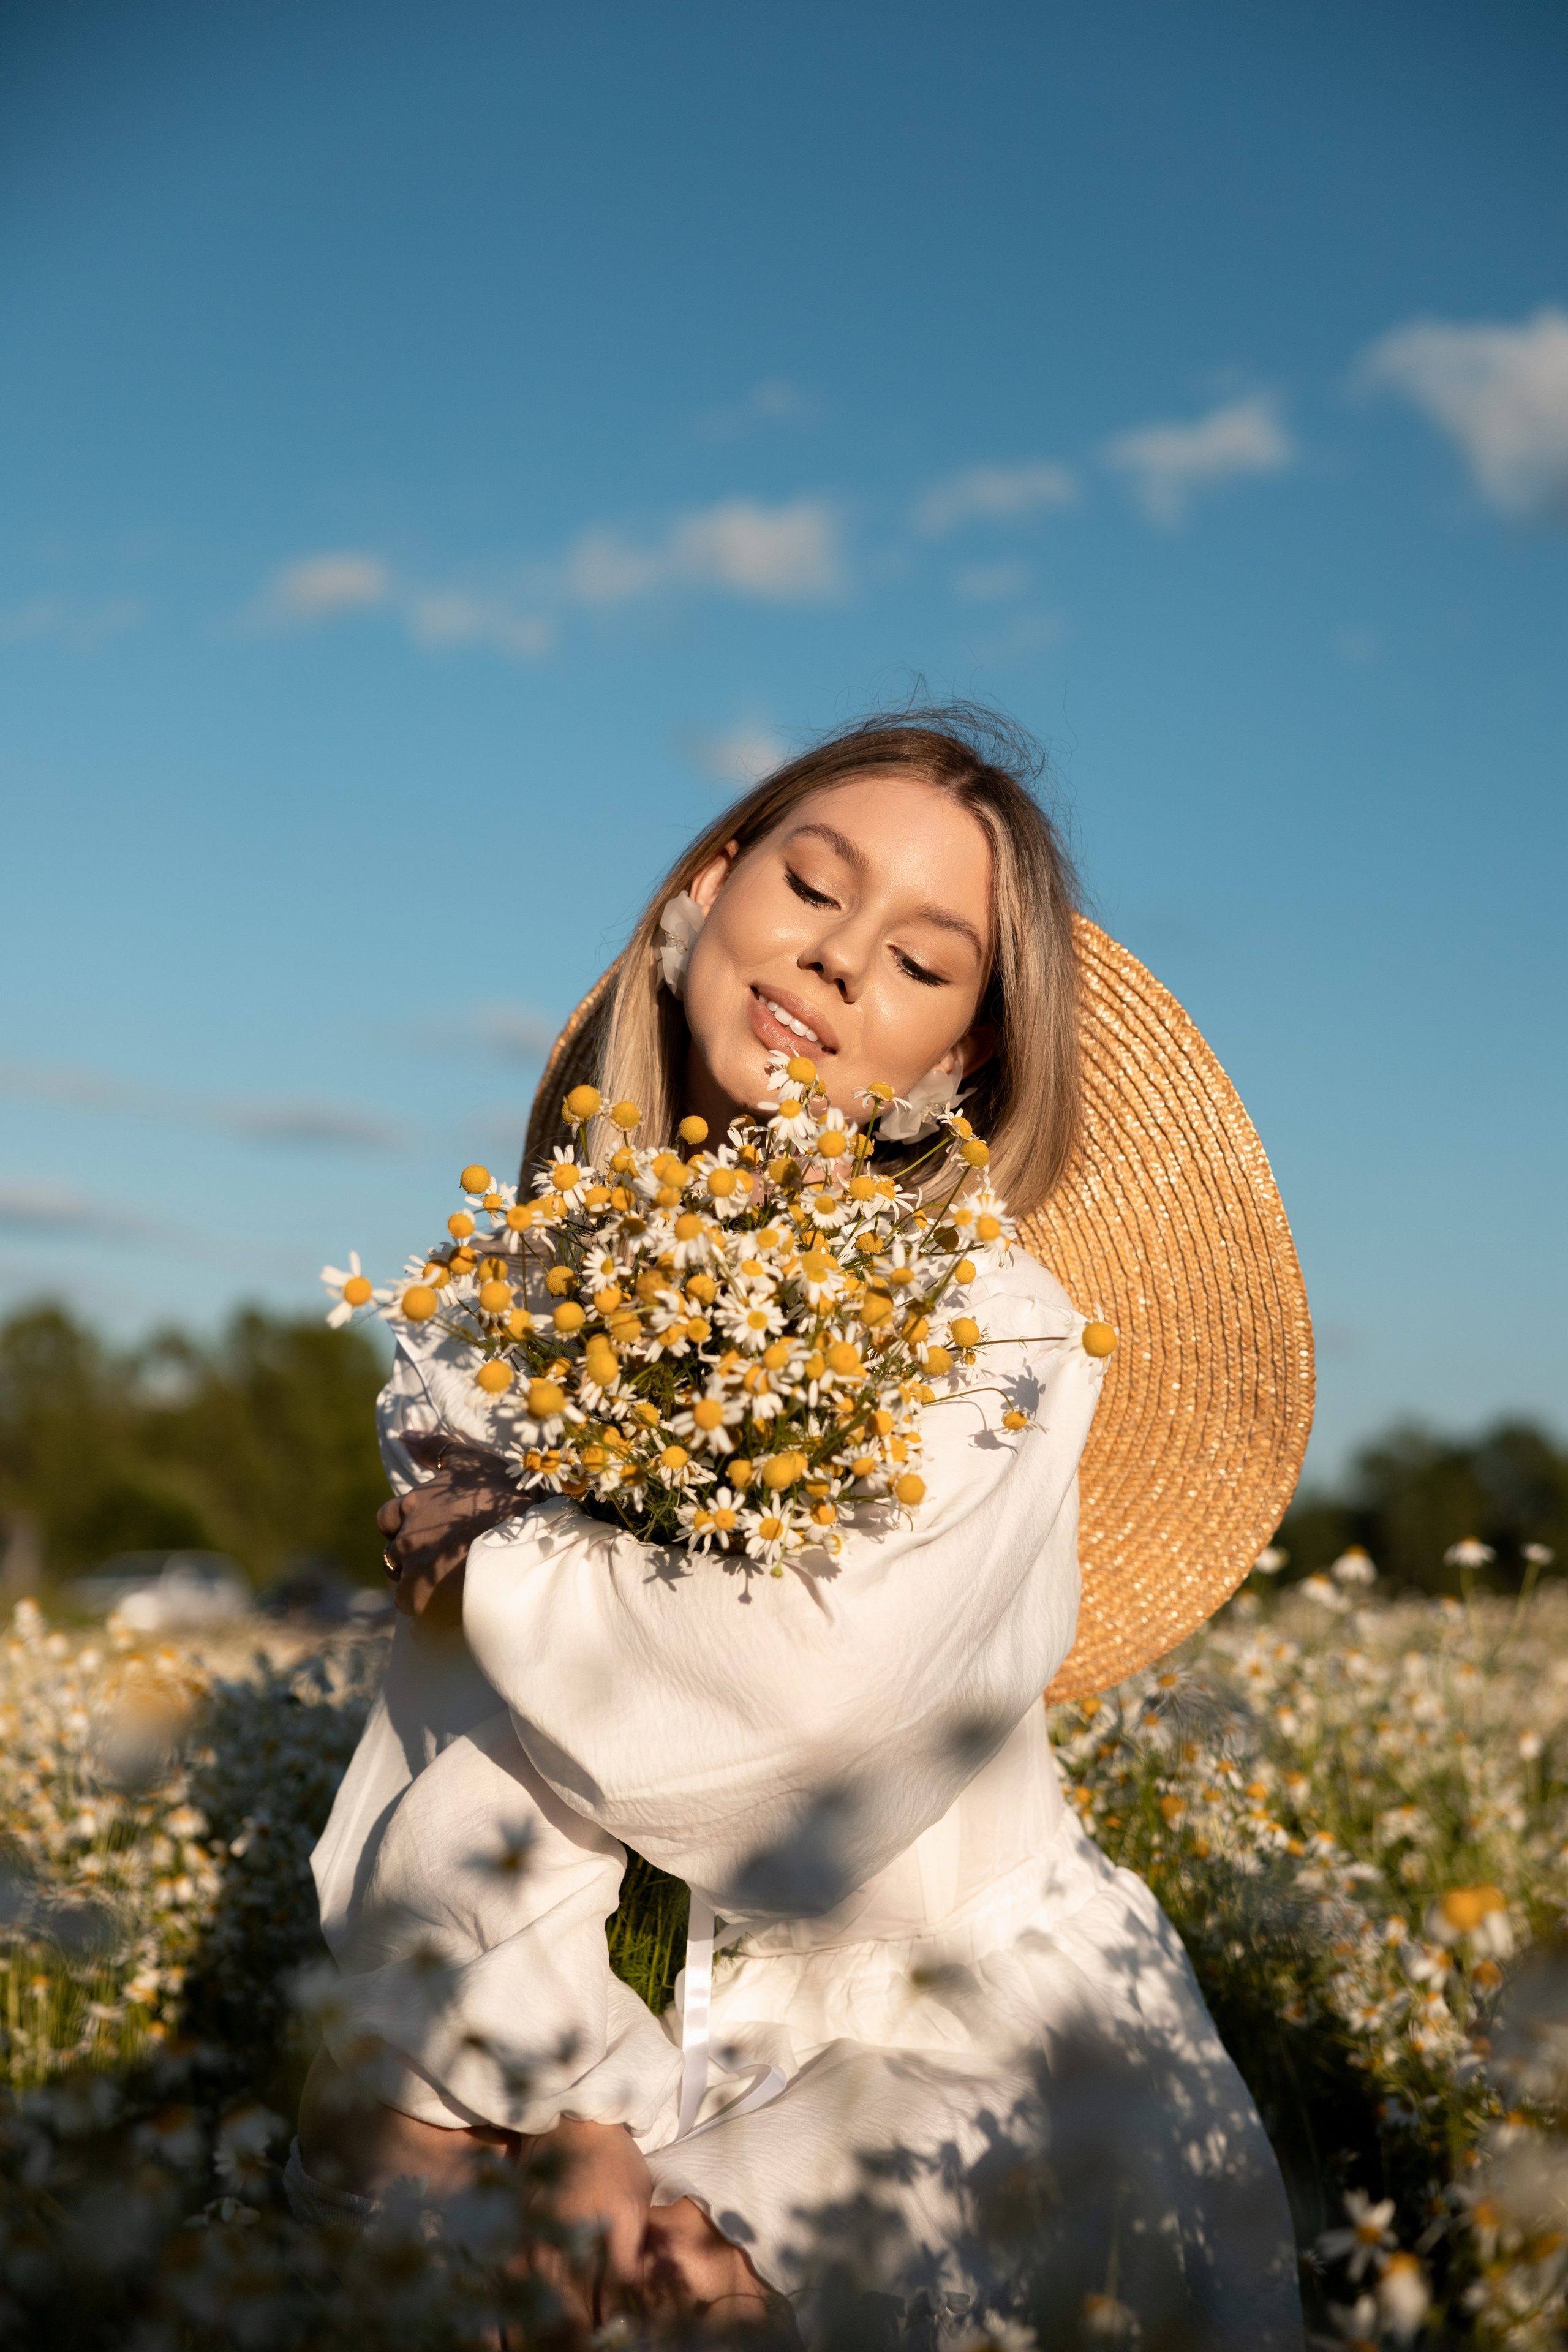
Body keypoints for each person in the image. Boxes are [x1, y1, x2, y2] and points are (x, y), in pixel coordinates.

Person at [292, 710, 1305, 2346]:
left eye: (920, 963)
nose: (838, 967)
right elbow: (482, 1740)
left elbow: (809, 1719)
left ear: (962, 1060)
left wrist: (508, 1565)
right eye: (814, 887)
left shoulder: (993, 1336)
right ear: (704, 890)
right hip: (550, 2012)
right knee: (447, 2248)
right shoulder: (502, 1311)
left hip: (928, 2016)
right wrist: (570, 2116)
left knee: (728, 2297)